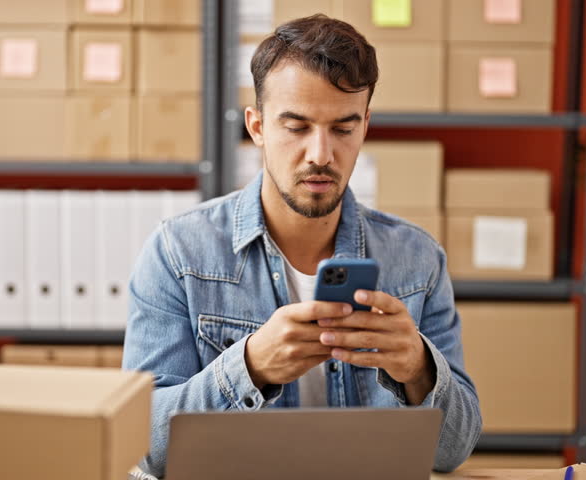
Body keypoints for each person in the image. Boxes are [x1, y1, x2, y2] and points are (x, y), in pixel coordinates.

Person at [123, 14, 482, 478]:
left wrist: (417, 368)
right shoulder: (178, 252)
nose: (320, 154)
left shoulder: (417, 259)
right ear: (256, 127)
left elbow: (453, 452)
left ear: (366, 125)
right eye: (296, 126)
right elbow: (144, 447)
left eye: (343, 128)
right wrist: (250, 367)